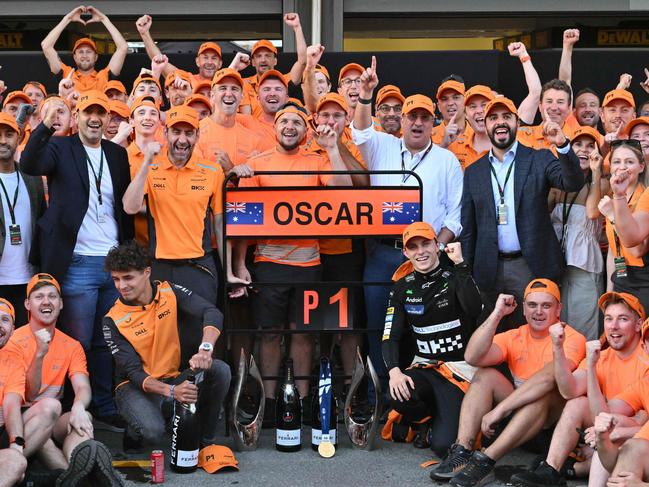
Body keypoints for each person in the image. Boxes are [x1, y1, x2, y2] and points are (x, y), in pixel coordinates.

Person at [20, 90, 134, 431]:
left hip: (112, 262)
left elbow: (122, 207)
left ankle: (101, 404)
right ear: (77, 116)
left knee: (105, 340)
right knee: (78, 340)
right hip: (78, 261)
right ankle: (71, 409)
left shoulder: (116, 153)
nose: (95, 118)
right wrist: (45, 125)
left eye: (100, 113)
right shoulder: (60, 146)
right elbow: (29, 163)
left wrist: (127, 258)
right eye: (87, 112)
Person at [231, 102, 352, 423]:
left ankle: (300, 399)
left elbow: (344, 191)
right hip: (268, 262)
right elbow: (244, 221)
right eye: (284, 121)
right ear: (274, 126)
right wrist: (240, 265)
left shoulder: (317, 160)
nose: (289, 127)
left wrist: (332, 149)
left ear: (304, 129)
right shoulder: (256, 164)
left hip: (310, 264)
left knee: (303, 334)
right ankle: (270, 403)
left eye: (296, 123)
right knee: (269, 333)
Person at [351, 56, 463, 386]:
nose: (417, 123)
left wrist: (434, 250)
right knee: (377, 326)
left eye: (424, 118)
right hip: (383, 253)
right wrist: (366, 94)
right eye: (411, 116)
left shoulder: (447, 161)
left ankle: (418, 399)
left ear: (433, 123)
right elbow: (358, 129)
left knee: (422, 329)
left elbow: (455, 217)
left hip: (426, 257)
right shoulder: (381, 146)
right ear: (401, 120)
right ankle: (379, 397)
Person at [430, 279, 586, 486]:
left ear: (558, 309)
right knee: (485, 375)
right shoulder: (515, 335)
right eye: (532, 305)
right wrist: (497, 315)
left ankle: (485, 461)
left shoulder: (572, 337)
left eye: (546, 305)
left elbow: (550, 378)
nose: (538, 312)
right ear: (523, 309)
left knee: (548, 382)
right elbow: (472, 357)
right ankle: (462, 451)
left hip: (551, 429)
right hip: (519, 421)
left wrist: (500, 410)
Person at [122, 104, 232, 364]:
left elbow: (219, 225)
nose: (182, 139)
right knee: (162, 341)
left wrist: (227, 270)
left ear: (197, 136)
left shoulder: (212, 171)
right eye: (176, 132)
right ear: (166, 133)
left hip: (199, 267)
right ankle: (169, 400)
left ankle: (199, 401)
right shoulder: (152, 168)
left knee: (198, 340)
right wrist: (147, 162)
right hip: (159, 268)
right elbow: (130, 206)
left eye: (189, 132)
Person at [461, 96, 583, 327]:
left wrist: (562, 144)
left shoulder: (539, 157)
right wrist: (468, 271)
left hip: (531, 265)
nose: (500, 122)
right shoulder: (473, 171)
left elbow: (572, 183)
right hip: (489, 268)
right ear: (485, 126)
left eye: (507, 117)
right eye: (493, 118)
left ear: (517, 122)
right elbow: (469, 228)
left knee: (536, 333)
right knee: (493, 334)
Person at [102, 240, 231, 450]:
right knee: (153, 431)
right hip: (134, 387)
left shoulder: (168, 291)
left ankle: (206, 443)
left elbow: (211, 312)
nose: (121, 286)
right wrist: (173, 392)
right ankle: (136, 429)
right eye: (116, 279)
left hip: (173, 376)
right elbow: (134, 373)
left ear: (146, 272)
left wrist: (205, 349)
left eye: (128, 278)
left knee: (220, 370)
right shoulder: (112, 319)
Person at [512, 291, 649, 487]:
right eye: (609, 318)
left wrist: (617, 432)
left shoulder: (645, 360)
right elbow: (571, 391)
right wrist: (558, 347)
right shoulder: (603, 355)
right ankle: (551, 469)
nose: (614, 326)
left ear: (638, 326)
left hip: (636, 439)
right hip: (616, 433)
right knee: (579, 404)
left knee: (621, 432)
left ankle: (576, 468)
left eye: (623, 319)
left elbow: (640, 423)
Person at [7, 273, 123, 485]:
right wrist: (40, 354)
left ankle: (79, 467)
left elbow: (82, 387)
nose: (46, 301)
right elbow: (27, 394)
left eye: (52, 296)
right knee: (48, 414)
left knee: (82, 418)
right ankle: (78, 478)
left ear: (61, 304)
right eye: (38, 296)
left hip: (52, 418)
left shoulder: (71, 345)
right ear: (27, 304)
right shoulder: (12, 340)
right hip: (19, 421)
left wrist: (79, 407)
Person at [382, 222, 482, 456]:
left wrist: (461, 264)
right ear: (406, 253)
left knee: (443, 447)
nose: (421, 251)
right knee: (395, 392)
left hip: (459, 372)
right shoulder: (401, 287)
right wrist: (395, 372)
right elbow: (390, 335)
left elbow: (475, 308)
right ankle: (426, 422)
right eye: (413, 247)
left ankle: (436, 424)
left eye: (426, 244)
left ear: (437, 246)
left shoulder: (455, 274)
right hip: (425, 367)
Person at [549, 126, 605, 339]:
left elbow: (592, 212)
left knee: (582, 329)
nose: (583, 150)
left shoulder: (602, 183)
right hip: (555, 264)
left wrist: (596, 172)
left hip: (583, 264)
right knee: (555, 327)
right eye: (578, 144)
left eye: (590, 145)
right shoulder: (555, 183)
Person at [0, 113, 45, 327]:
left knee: (25, 345)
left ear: (19, 138)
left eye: (9, 135)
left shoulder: (33, 179)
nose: (2, 140)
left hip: (28, 279)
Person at [597, 140, 649, 311]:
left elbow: (636, 250)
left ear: (641, 167)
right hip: (621, 275)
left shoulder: (644, 197)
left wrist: (612, 216)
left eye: (629, 162)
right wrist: (609, 292)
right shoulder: (615, 198)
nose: (622, 167)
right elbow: (613, 249)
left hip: (643, 279)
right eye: (617, 162)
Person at [41, 5, 127, 93]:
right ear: (74, 57)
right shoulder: (66, 73)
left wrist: (104, 19)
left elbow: (123, 48)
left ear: (96, 57)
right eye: (81, 52)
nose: (84, 55)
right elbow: (46, 46)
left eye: (89, 52)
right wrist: (67, 19)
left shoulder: (104, 76)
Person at [197, 68, 267, 173]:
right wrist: (229, 172)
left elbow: (255, 184)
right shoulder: (195, 133)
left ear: (242, 97)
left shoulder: (254, 140)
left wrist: (231, 170)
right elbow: (193, 179)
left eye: (234, 89)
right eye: (223, 88)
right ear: (212, 96)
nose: (229, 94)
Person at [517, 79, 580, 152]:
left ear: (569, 108)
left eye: (560, 102)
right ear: (540, 106)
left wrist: (563, 145)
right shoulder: (521, 135)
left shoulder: (578, 139)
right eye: (549, 101)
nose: (554, 108)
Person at [448, 84, 494, 170]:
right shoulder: (454, 147)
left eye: (484, 105)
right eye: (473, 107)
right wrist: (444, 145)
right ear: (465, 114)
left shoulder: (510, 145)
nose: (479, 111)